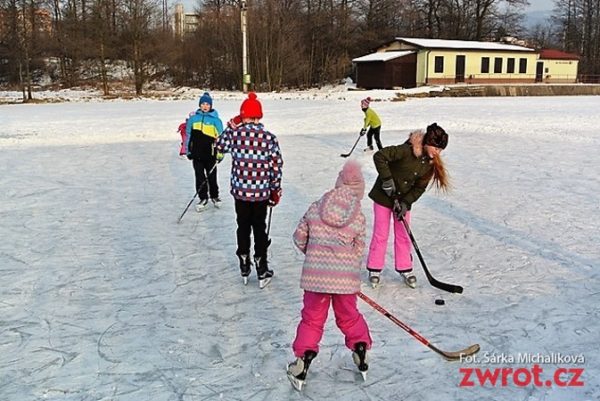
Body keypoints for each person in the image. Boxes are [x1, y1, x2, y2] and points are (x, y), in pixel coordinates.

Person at [287, 160, 372, 391]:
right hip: (344, 280)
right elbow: (358, 250)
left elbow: (299, 237)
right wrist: (343, 266)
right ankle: (360, 349)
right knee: (349, 316)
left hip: (316, 279)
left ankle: (302, 361)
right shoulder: (358, 216)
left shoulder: (316, 206)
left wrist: (314, 255)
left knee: (312, 319)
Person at [366, 123, 449, 289]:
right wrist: (387, 181)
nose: (437, 153)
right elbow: (380, 156)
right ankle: (375, 268)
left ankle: (405, 268)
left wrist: (405, 203)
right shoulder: (405, 150)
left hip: (402, 201)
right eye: (436, 148)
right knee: (381, 233)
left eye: (440, 150)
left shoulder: (430, 164)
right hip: (383, 197)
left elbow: (419, 187)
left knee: (403, 234)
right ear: (427, 143)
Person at [215, 92, 283, 289]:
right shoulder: (269, 138)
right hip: (261, 192)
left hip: (240, 193)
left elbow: (218, 145)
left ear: (243, 116)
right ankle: (262, 266)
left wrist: (231, 125)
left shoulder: (235, 134)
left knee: (242, 226)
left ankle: (244, 262)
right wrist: (275, 189)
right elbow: (276, 165)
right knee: (259, 228)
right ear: (259, 116)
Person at [186, 92, 224, 212]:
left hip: (210, 154)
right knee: (199, 177)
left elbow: (221, 138)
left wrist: (220, 153)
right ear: (200, 105)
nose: (205, 106)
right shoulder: (193, 119)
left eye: (207, 104)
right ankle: (203, 197)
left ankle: (214, 196)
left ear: (211, 105)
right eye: (203, 104)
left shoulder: (216, 121)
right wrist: (188, 150)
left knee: (212, 176)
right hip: (196, 154)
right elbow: (187, 136)